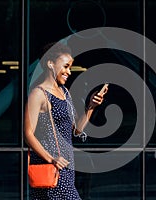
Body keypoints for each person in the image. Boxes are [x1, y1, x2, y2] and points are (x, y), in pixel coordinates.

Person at [24, 42, 107, 199]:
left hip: (66, 167)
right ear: (50, 64)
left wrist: (91, 106)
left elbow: (77, 129)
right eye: (65, 66)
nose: (69, 72)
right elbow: (28, 134)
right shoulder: (38, 94)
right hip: (51, 167)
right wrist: (51, 158)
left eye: (70, 67)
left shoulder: (64, 92)